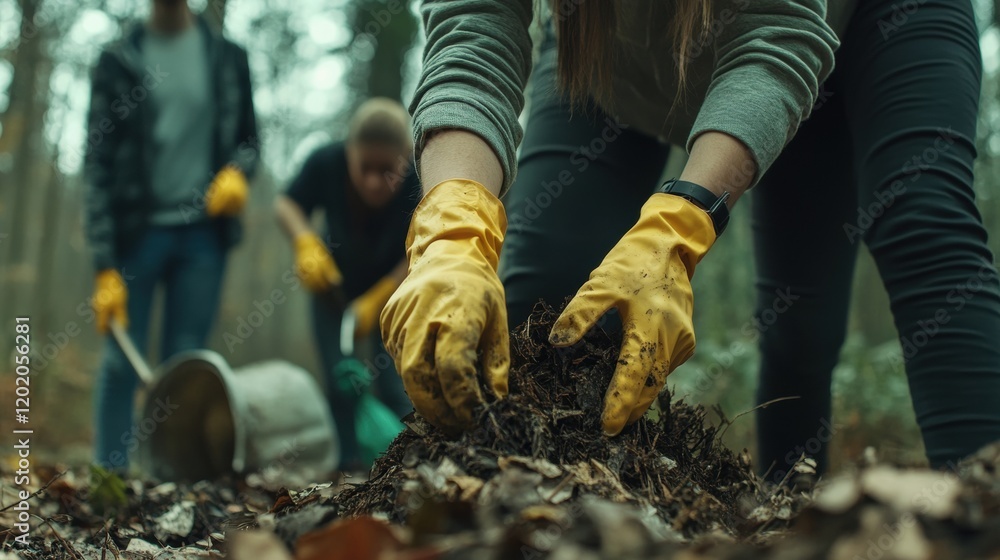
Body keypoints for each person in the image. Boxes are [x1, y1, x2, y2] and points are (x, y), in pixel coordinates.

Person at [380, 0, 1000, 471]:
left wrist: (681, 222)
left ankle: (970, 511)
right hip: (608, 57)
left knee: (875, 263)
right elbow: (475, 27)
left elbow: (778, 32)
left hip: (853, 31)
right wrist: (452, 231)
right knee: (543, 289)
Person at [84, 0, 258, 469]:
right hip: (136, 234)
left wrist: (239, 173)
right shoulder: (116, 59)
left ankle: (172, 482)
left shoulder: (228, 56)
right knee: (122, 362)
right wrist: (103, 266)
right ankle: (110, 480)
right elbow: (96, 166)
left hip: (203, 237)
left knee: (187, 364)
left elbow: (248, 141)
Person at [275, 98, 417, 471]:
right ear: (349, 152)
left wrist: (383, 294)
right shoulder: (326, 162)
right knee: (342, 380)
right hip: (332, 291)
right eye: (364, 167)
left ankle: (405, 464)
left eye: (386, 170)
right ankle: (346, 468)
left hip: (394, 294)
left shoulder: (422, 178)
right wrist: (304, 241)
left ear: (405, 157)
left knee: (394, 382)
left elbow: (425, 243)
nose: (373, 181)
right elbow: (286, 204)